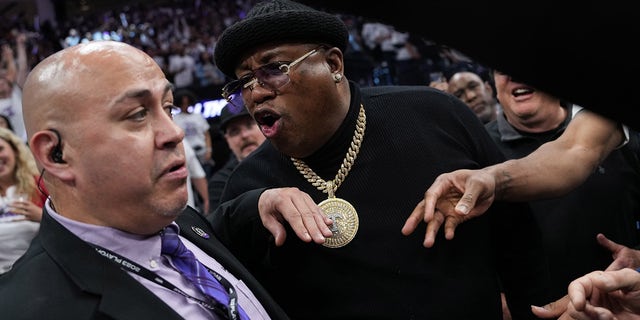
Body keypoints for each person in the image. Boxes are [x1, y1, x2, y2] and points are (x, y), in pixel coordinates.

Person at [209, 0, 551, 318]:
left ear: (332, 64)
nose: (256, 92)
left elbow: (519, 244)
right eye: (245, 81)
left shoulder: (435, 115)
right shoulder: (251, 188)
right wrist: (246, 212)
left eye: (273, 69)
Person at [0, 40, 294, 319]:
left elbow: (221, 222)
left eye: (168, 108)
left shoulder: (182, 223)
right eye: (138, 114)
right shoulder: (28, 308)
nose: (175, 133)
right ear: (56, 154)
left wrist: (260, 202)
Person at [483, 70, 640, 301]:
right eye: (502, 69)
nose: (514, 75)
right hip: (531, 311)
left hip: (619, 304)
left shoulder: (616, 133)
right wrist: (492, 293)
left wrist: (638, 258)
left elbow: (573, 151)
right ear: (492, 86)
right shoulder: (479, 150)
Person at [0, 127, 47, 274]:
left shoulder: (40, 185)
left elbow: (73, 225)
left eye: (0, 149)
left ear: (15, 150)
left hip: (40, 271)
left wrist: (42, 216)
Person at [208, 99, 265, 213]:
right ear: (227, 140)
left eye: (249, 126)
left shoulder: (291, 160)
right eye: (235, 131)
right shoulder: (221, 183)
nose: (244, 135)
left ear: (263, 126)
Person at [172, 89, 214, 175]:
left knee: (207, 177)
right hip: (188, 154)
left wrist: (209, 150)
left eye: (187, 102)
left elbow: (207, 135)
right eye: (182, 103)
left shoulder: (198, 116)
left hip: (202, 151)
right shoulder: (175, 119)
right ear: (178, 103)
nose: (185, 105)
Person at [183, 139, 209, 215]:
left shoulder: (182, 143)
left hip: (187, 213)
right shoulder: (182, 142)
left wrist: (207, 200)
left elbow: (197, 174)